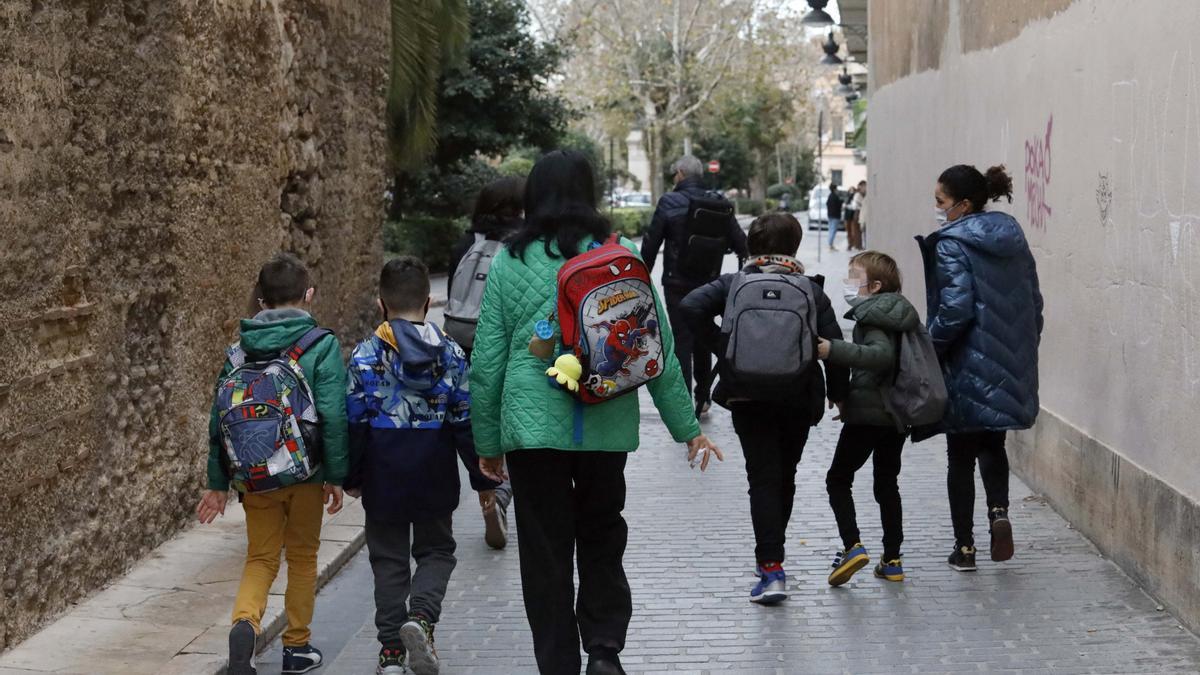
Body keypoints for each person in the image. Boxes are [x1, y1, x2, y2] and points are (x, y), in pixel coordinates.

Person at [469, 150, 723, 675]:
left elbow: (486, 362)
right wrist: (687, 429)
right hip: (605, 421)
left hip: (531, 428)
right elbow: (658, 350)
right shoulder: (621, 254)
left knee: (544, 552)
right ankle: (604, 649)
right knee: (603, 537)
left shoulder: (509, 260)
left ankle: (557, 663)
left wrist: (486, 443)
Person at [680, 213, 849, 605]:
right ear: (794, 246)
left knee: (762, 477)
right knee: (784, 475)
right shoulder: (809, 289)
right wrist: (840, 394)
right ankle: (774, 556)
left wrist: (724, 347)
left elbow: (690, 306)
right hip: (798, 393)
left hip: (747, 394)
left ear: (753, 246)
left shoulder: (734, 283)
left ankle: (771, 568)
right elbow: (835, 345)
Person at [344, 256, 498, 675]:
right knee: (436, 552)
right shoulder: (449, 352)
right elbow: (464, 419)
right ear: (429, 303)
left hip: (383, 471)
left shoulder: (364, 355)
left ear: (381, 304)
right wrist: (481, 476)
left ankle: (391, 653)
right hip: (434, 470)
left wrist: (352, 478)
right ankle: (423, 618)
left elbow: (354, 423)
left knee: (389, 561)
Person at [197, 252, 348, 675]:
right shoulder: (321, 344)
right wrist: (336, 475)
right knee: (302, 556)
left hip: (253, 476)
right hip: (306, 473)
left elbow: (218, 419)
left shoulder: (238, 349)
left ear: (261, 301)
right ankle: (296, 648)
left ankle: (244, 624)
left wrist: (218, 481)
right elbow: (334, 415)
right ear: (309, 295)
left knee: (260, 557)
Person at [917, 164, 1043, 572]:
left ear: (963, 204)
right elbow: (1034, 302)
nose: (937, 208)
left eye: (941, 201)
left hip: (965, 362)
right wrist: (1021, 348)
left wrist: (927, 350)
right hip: (1008, 361)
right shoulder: (1012, 237)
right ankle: (999, 513)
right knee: (993, 444)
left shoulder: (951, 244)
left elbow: (955, 309)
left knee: (959, 456)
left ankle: (965, 548)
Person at [816, 251, 917, 587]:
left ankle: (852, 546)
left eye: (853, 276)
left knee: (837, 479)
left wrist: (833, 351)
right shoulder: (894, 312)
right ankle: (892, 560)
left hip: (869, 416)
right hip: (894, 415)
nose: (848, 282)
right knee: (886, 483)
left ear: (874, 286)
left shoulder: (874, 317)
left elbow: (880, 357)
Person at [447, 177, 525, 550]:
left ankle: (486, 492)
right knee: (508, 415)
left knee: (478, 418)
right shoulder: (523, 247)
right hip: (504, 339)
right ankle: (502, 494)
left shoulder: (466, 244)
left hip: (462, 337)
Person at [642, 154, 749, 418]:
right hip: (709, 285)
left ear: (680, 173)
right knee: (703, 337)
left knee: (682, 340)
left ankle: (682, 403)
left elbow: (651, 243)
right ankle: (703, 399)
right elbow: (742, 244)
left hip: (676, 283)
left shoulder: (669, 201)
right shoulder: (719, 202)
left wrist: (641, 277)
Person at [847, 181, 866, 250]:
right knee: (857, 231)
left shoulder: (859, 195)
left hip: (857, 213)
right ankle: (858, 245)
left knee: (857, 231)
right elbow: (858, 205)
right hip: (857, 213)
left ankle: (858, 245)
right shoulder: (858, 195)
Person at [825, 181, 844, 251]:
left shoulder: (830, 196)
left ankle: (831, 244)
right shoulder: (836, 197)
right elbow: (839, 205)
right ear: (835, 189)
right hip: (835, 216)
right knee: (833, 230)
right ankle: (830, 244)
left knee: (830, 230)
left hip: (830, 215)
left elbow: (827, 204)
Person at [842, 184, 859, 249]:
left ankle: (853, 244)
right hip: (847, 217)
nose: (851, 191)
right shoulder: (846, 197)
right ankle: (850, 244)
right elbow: (844, 206)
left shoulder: (855, 197)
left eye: (852, 190)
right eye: (850, 190)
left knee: (853, 232)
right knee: (848, 232)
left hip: (852, 217)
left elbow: (853, 207)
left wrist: (847, 206)